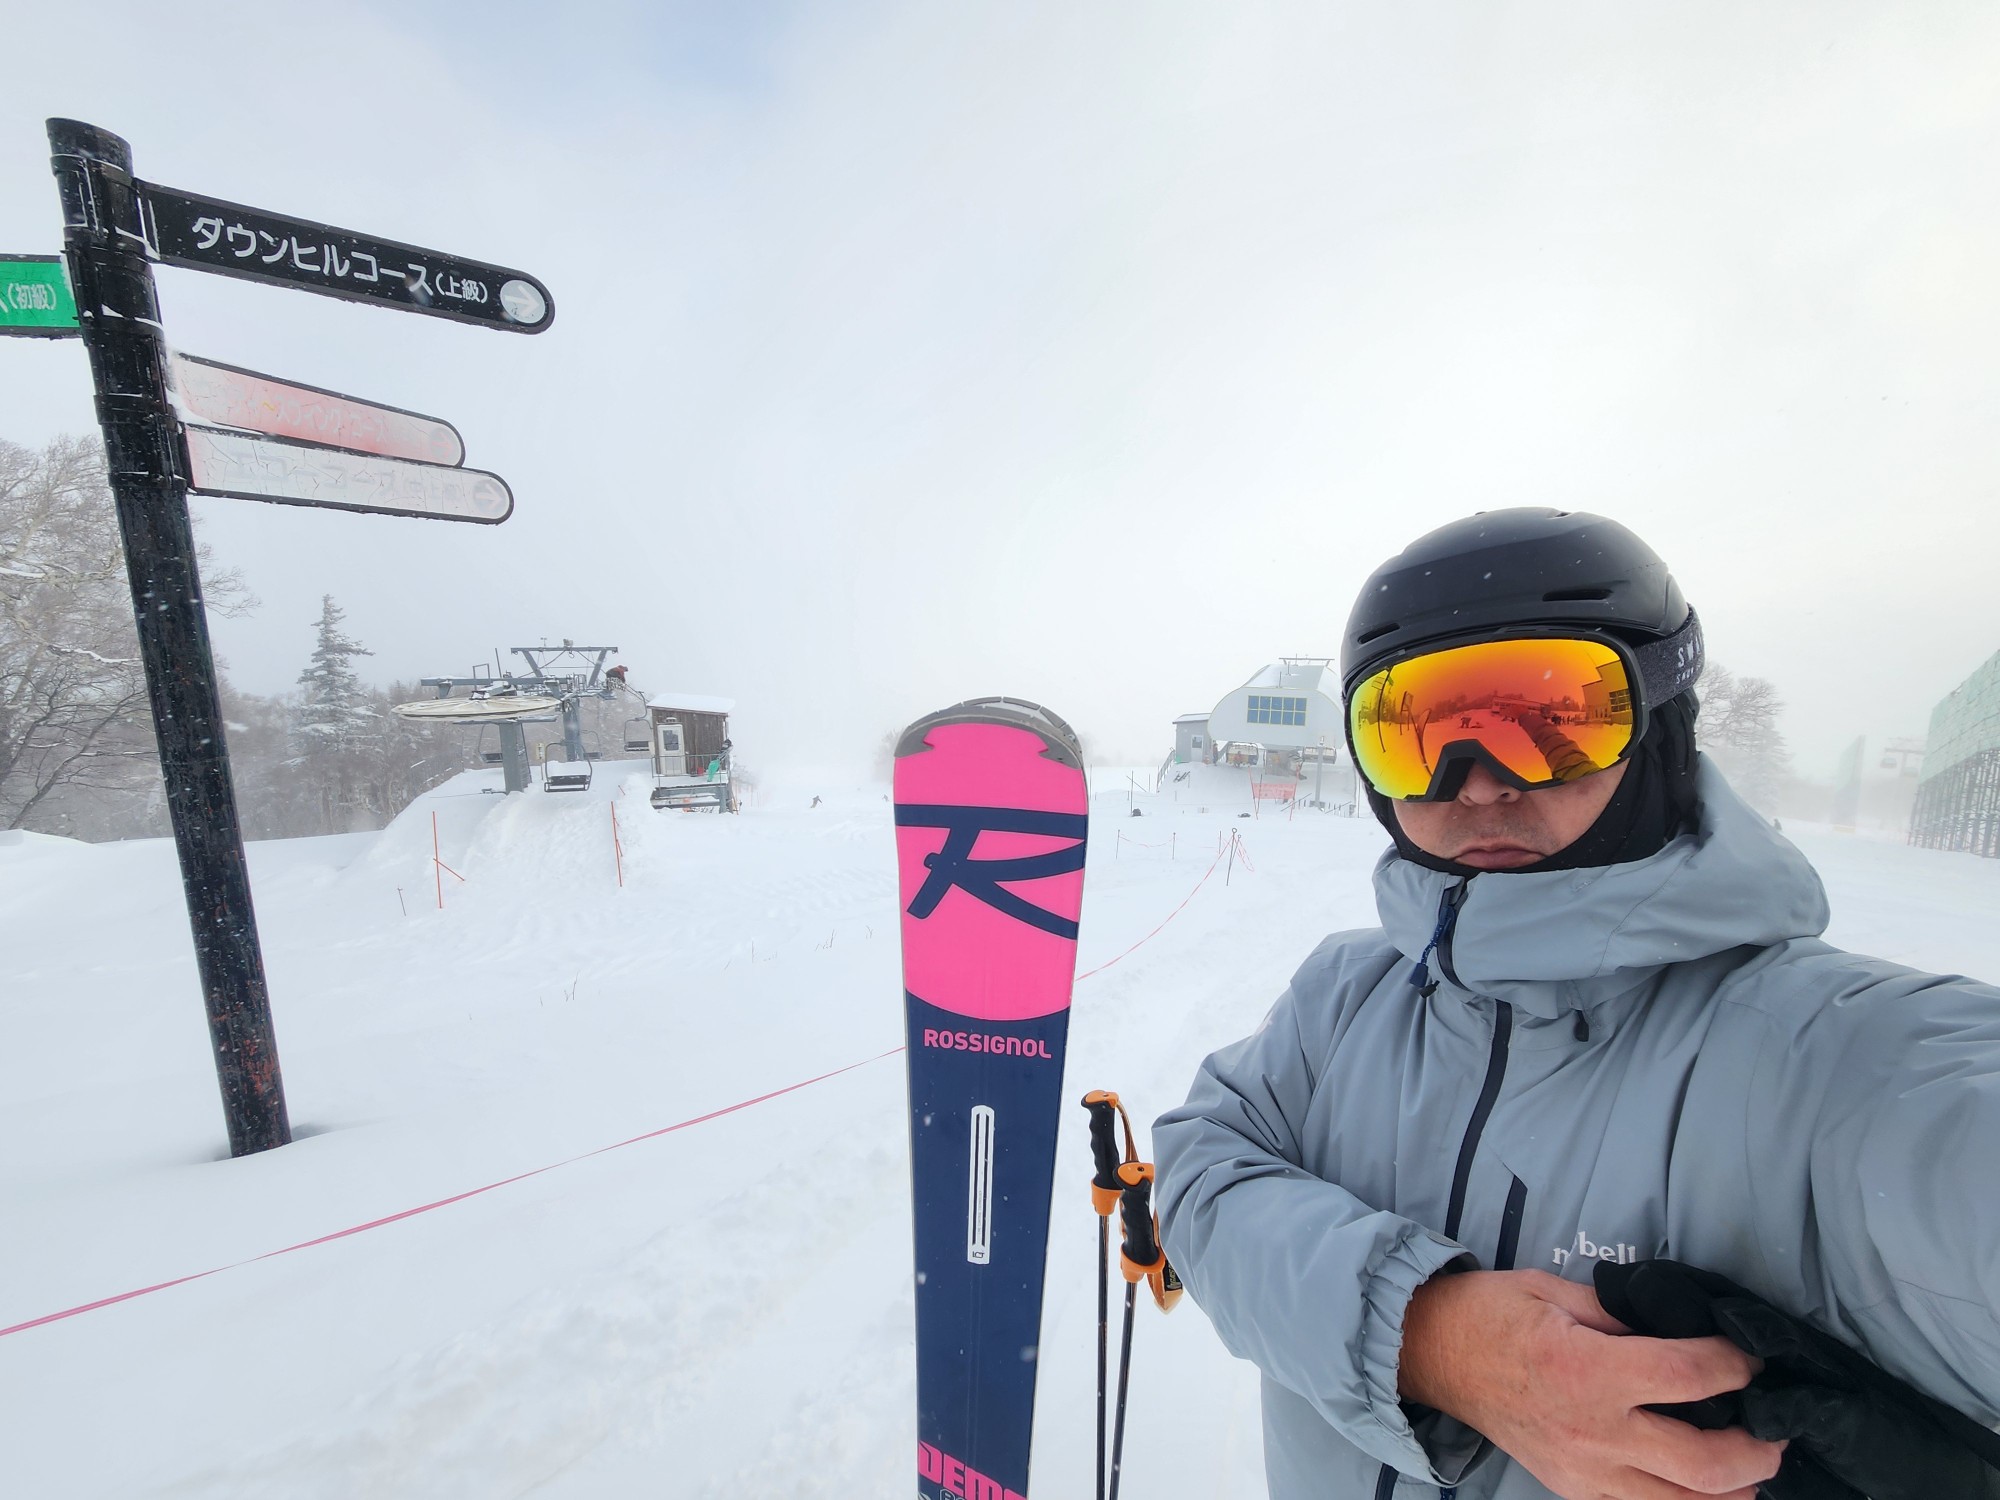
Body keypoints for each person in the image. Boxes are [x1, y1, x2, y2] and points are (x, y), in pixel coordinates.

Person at [1153, 508, 2000, 1500]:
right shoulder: (1345, 995)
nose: (1472, 787)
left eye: (1546, 723)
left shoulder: (1827, 1053)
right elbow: (1200, 1172)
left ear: (1659, 722)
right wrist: (1424, 1334)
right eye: (1413, 735)